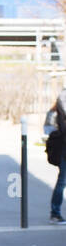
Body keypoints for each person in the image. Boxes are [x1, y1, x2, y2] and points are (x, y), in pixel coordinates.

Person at [52, 85, 66, 223]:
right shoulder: (63, 97)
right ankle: (55, 213)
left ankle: (55, 213)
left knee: (62, 180)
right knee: (62, 180)